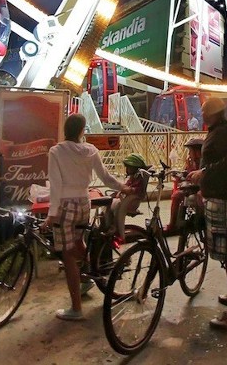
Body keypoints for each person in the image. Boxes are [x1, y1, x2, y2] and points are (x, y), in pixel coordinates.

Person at [43, 113, 134, 321]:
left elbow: (56, 185)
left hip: (65, 206)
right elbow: (105, 177)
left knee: (68, 257)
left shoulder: (56, 151)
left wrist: (51, 214)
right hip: (84, 204)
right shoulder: (90, 150)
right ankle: (92, 273)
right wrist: (123, 187)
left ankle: (76, 308)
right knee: (77, 243)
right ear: (82, 130)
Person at [189, 98, 227, 330]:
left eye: (205, 111)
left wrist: (203, 172)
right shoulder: (224, 131)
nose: (202, 114)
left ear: (214, 112)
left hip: (224, 197)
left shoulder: (222, 134)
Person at [166, 138, 204, 233]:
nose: (189, 154)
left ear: (198, 152)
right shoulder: (190, 162)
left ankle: (202, 219)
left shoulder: (204, 162)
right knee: (176, 196)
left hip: (201, 188)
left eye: (190, 151)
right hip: (191, 187)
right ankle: (172, 224)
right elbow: (187, 173)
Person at [109, 153, 149, 239]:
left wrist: (127, 190)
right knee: (108, 202)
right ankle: (110, 226)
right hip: (126, 199)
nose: (127, 169)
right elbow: (126, 186)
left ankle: (118, 230)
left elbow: (135, 190)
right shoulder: (131, 178)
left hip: (131, 202)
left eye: (129, 167)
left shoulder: (139, 180)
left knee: (117, 205)